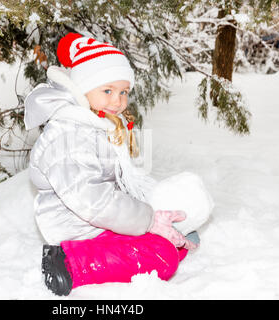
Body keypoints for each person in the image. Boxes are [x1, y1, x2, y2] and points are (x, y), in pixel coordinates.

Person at [24, 33, 213, 296]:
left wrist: (154, 216)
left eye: (123, 92)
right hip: (76, 226)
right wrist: (148, 221)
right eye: (108, 91)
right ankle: (69, 264)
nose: (118, 101)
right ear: (81, 90)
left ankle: (162, 241)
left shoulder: (94, 125)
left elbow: (118, 186)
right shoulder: (68, 135)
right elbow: (92, 201)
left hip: (99, 220)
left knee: (165, 242)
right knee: (163, 258)